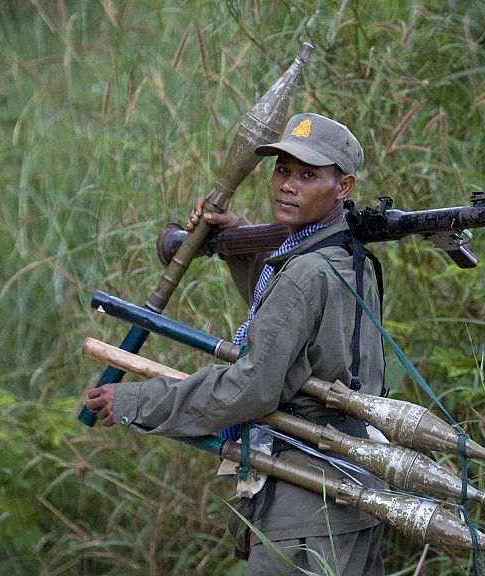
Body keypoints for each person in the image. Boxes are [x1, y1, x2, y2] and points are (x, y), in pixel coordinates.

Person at [86, 113, 386, 575]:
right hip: (358, 493)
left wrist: (135, 399)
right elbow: (290, 322)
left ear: (343, 186)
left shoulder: (306, 273)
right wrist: (240, 237)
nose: (288, 185)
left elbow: (251, 387)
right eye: (282, 170)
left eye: (308, 175)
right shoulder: (350, 257)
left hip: (307, 507)